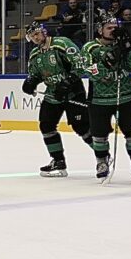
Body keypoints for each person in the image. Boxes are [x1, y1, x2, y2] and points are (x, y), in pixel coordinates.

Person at [79, 16, 131, 182]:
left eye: (115, 27)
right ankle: (101, 163)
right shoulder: (90, 48)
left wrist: (130, 47)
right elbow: (88, 70)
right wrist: (108, 61)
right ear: (100, 30)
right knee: (99, 135)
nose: (113, 30)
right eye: (109, 28)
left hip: (125, 96)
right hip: (99, 99)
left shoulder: (128, 43)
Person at [21, 23, 89, 177]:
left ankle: (103, 155)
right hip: (53, 95)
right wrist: (31, 82)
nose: (35, 38)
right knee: (46, 125)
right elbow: (36, 74)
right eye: (32, 36)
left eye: (37, 34)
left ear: (44, 32)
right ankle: (58, 161)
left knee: (82, 127)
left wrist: (67, 83)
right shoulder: (35, 54)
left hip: (73, 93)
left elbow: (79, 65)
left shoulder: (62, 43)